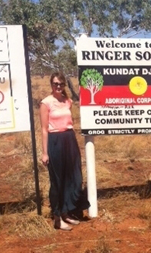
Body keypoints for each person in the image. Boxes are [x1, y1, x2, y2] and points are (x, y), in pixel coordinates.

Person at [40, 72, 89, 231]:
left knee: (74, 177)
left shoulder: (67, 101)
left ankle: (66, 212)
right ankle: (57, 217)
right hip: (55, 142)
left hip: (69, 139)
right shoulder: (46, 103)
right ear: (51, 84)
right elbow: (44, 129)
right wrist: (45, 152)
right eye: (55, 84)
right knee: (58, 181)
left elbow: (70, 122)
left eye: (61, 84)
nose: (58, 87)